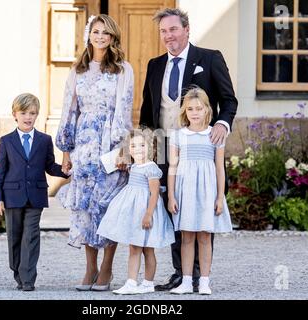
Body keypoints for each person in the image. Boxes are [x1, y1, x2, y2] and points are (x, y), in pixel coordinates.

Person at [139, 8, 237, 292]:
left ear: (186, 29)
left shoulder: (209, 58)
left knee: (203, 202)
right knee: (173, 206)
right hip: (164, 146)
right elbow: (148, 110)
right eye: (163, 31)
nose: (168, 36)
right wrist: (145, 145)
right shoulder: (155, 64)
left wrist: (221, 124)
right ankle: (181, 274)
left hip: (201, 146)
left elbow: (229, 100)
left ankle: (200, 275)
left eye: (172, 29)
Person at [55, 14, 134, 291]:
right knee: (86, 208)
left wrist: (124, 149)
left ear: (113, 38)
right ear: (89, 35)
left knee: (108, 206)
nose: (100, 37)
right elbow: (69, 110)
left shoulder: (123, 69)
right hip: (84, 145)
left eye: (106, 33)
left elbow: (124, 109)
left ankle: (108, 268)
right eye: (96, 31)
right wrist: (65, 151)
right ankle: (89, 268)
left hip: (111, 145)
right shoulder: (77, 70)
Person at [0, 93, 68, 291]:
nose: (28, 117)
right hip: (12, 196)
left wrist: (65, 170)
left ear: (37, 115)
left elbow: (50, 166)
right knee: (15, 236)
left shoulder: (44, 140)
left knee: (31, 235)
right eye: (24, 113)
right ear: (15, 115)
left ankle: (28, 278)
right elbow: (1, 171)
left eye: (32, 113)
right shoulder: (7, 141)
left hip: (36, 196)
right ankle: (17, 270)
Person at [167, 87, 232, 295]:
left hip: (207, 190)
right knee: (186, 237)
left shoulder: (215, 135)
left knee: (204, 236)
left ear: (207, 110)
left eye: (199, 108)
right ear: (184, 112)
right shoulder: (178, 136)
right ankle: (186, 281)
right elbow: (173, 167)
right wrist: (171, 196)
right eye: (190, 109)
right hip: (184, 190)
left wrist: (220, 197)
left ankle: (204, 281)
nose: (195, 113)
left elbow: (220, 168)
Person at [97, 129, 175, 294]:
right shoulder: (134, 166)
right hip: (134, 213)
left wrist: (148, 214)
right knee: (134, 247)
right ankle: (131, 283)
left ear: (150, 147)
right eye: (133, 146)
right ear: (128, 149)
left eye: (142, 145)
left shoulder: (151, 168)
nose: (138, 149)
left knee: (148, 249)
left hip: (146, 213)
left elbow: (154, 193)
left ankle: (147, 283)